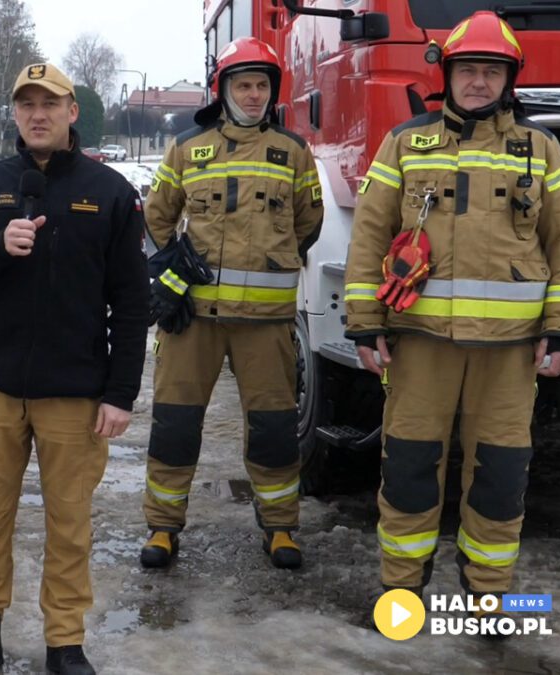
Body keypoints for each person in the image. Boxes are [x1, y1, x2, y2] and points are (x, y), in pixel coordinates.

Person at [345, 11, 560, 624]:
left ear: (508, 80)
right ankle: (402, 590)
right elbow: (370, 235)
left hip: (511, 352)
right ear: (448, 74)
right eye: (468, 70)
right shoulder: (405, 142)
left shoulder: (542, 149)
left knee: (500, 475)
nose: (477, 82)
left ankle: (488, 595)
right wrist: (364, 321)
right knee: (410, 466)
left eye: (490, 71)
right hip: (420, 345)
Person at [0, 62, 149, 675]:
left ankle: (65, 643)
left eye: (49, 103)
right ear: (16, 115)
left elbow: (133, 305)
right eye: (26, 104)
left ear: (71, 112)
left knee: (71, 527)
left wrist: (120, 394)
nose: (38, 114)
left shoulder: (110, 194)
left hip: (74, 395)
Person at [138, 37, 323, 570]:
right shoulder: (187, 147)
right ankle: (163, 528)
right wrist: (173, 264)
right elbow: (157, 215)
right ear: (223, 90)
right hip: (192, 319)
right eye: (243, 84)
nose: (253, 93)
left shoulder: (293, 153)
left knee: (272, 429)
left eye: (262, 84)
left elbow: (309, 223)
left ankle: (281, 529)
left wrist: (273, 259)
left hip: (265, 325)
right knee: (174, 425)